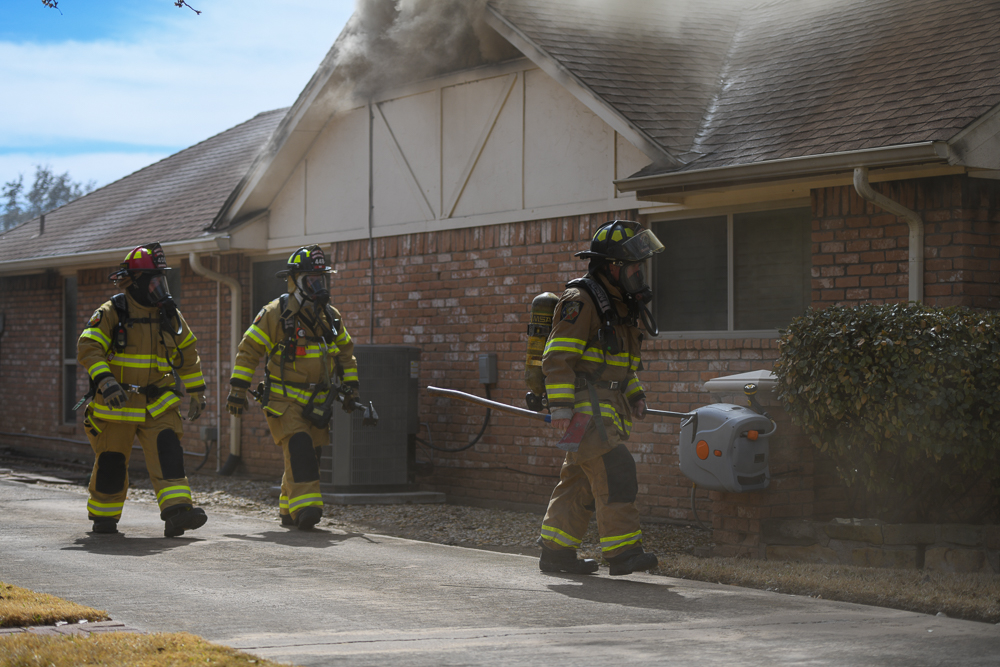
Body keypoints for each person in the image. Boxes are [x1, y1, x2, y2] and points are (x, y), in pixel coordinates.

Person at [538, 220, 663, 575]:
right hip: (584, 410)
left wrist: (635, 394)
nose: (639, 272)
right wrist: (561, 407)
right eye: (634, 265)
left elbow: (620, 364)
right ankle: (623, 553)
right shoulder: (582, 300)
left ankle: (556, 553)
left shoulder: (620, 304)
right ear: (613, 266)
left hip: (604, 409)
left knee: (579, 481)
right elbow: (557, 358)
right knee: (616, 469)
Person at [77, 243, 209, 537]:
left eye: (161, 280)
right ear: (133, 283)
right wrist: (106, 381)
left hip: (157, 402)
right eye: (152, 281)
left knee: (169, 453)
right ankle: (104, 518)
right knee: (111, 462)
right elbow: (88, 347)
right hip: (117, 403)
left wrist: (197, 390)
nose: (158, 287)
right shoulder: (112, 312)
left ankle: (177, 513)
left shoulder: (169, 314)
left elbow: (187, 352)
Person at [225, 245, 358, 530]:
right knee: (299, 448)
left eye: (320, 278)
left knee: (310, 455)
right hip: (282, 399)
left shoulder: (330, 317)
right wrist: (238, 388)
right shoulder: (275, 313)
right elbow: (248, 351)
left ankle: (287, 509)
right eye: (311, 278)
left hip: (317, 402)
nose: (317, 284)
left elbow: (345, 353)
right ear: (294, 279)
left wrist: (351, 388)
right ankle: (307, 509)